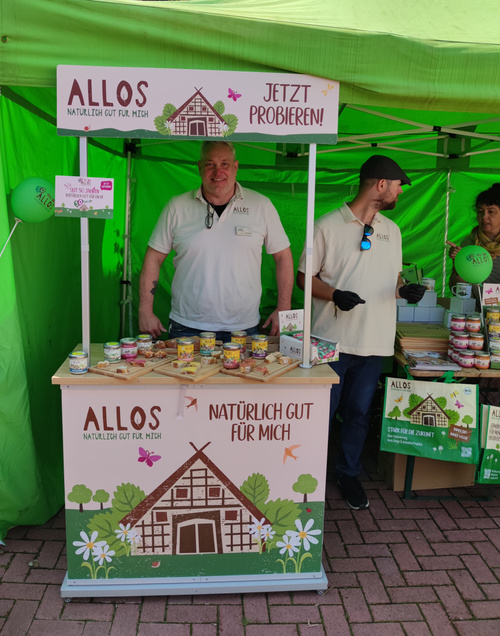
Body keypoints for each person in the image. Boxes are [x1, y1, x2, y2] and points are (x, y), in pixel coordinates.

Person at [296, 155, 425, 510]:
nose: (400, 192)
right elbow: (304, 279)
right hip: (329, 341)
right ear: (381, 184)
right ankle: (307, 473)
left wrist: (404, 290)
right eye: (398, 185)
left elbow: (392, 279)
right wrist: (334, 294)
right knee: (320, 414)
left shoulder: (392, 230)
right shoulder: (326, 225)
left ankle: (348, 473)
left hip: (375, 342)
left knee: (357, 413)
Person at [139, 141, 294, 342]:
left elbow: (283, 256)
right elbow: (153, 257)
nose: (217, 171)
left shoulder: (261, 205)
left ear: (236, 167)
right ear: (199, 167)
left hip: (243, 327)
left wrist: (284, 308)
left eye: (224, 164)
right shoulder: (177, 207)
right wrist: (145, 309)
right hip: (187, 326)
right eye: (210, 164)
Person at [447, 182, 500, 308]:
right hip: (475, 313)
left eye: (491, 212)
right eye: (480, 211)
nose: (484, 217)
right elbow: (458, 289)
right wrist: (457, 264)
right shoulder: (469, 244)